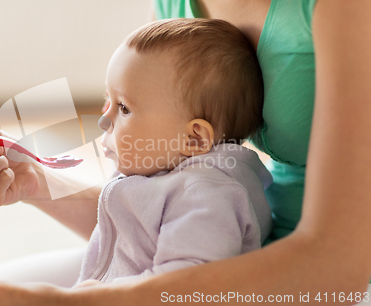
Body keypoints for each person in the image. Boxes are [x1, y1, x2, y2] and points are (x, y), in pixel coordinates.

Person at [0, 0, 371, 304]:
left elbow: (340, 270)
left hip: (328, 277)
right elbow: (151, 216)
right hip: (247, 261)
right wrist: (36, 183)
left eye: (122, 108)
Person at [76, 18, 272, 285]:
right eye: (106, 101)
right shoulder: (158, 169)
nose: (104, 119)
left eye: (124, 108)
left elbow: (185, 286)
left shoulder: (208, 197)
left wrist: (97, 298)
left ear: (193, 139)